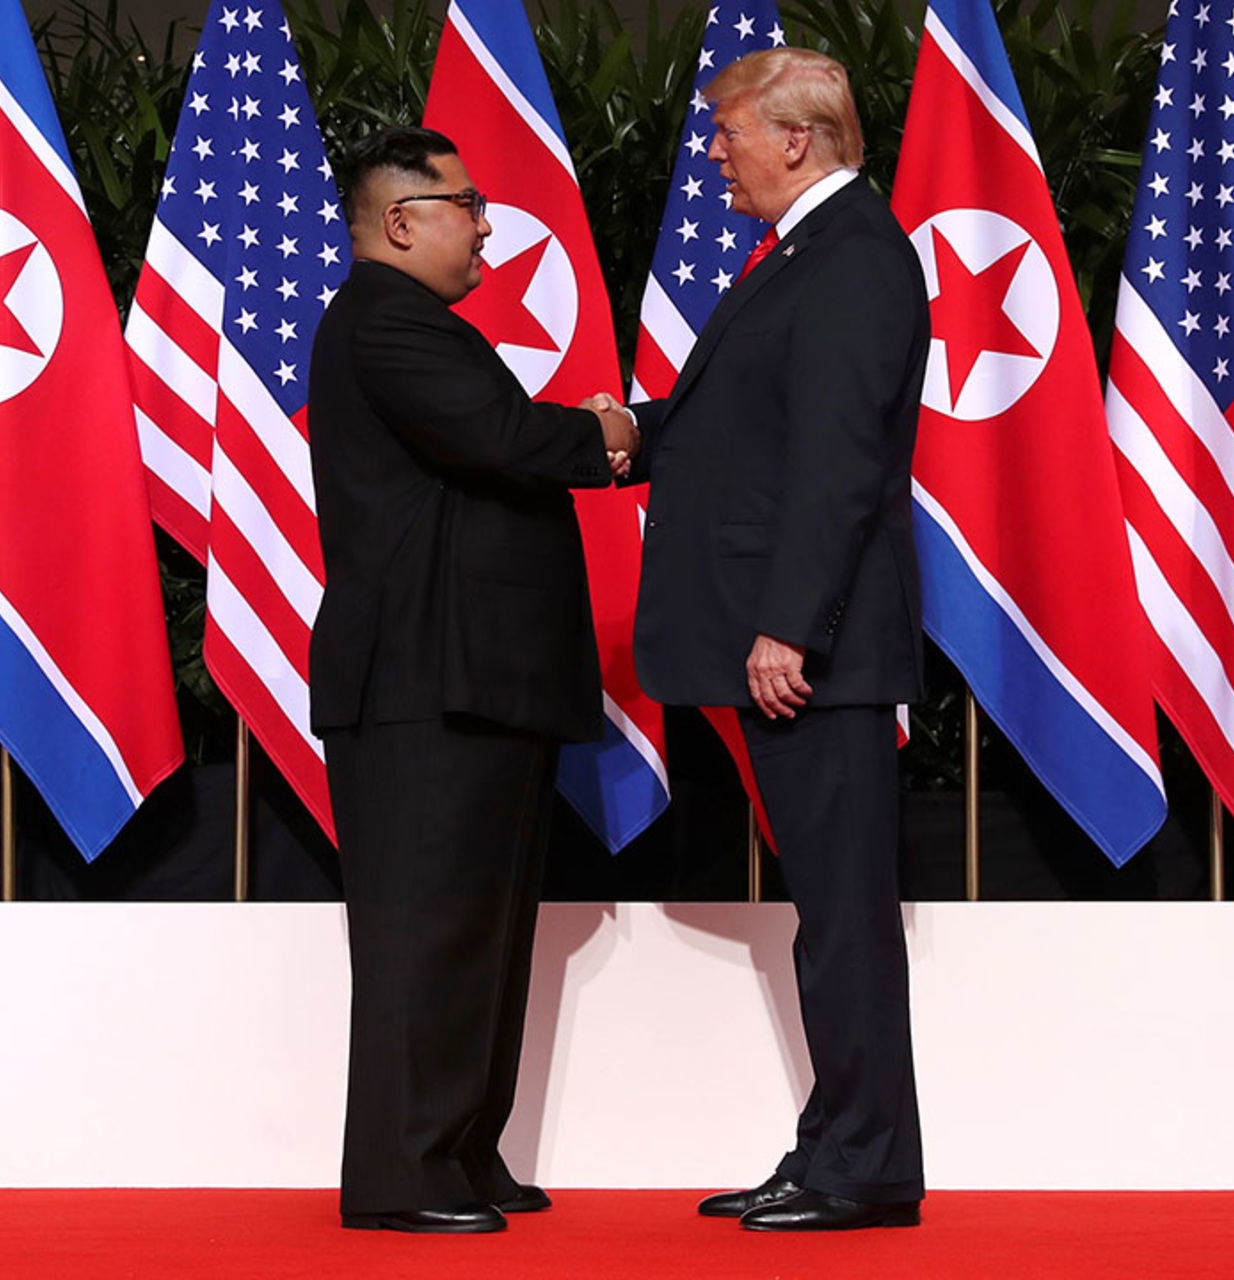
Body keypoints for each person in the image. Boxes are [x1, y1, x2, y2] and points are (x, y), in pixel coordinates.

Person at [619, 48, 930, 1231]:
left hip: (819, 655)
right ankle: (834, 1147)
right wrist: (618, 434)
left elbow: (840, 465)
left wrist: (788, 627)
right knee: (827, 915)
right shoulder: (808, 252)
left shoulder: (854, 256)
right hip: (799, 643)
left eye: (728, 134)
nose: (716, 154)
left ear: (795, 138)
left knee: (843, 918)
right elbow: (737, 431)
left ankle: (866, 1168)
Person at [307, 126, 638, 1234]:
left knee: (481, 928)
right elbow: (498, 435)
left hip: (473, 680)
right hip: (421, 682)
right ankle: (404, 1172)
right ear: (402, 221)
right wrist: (608, 430)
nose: (487, 220)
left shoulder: (416, 325)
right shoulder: (385, 321)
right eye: (468, 201)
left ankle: (458, 1151)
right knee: (426, 930)